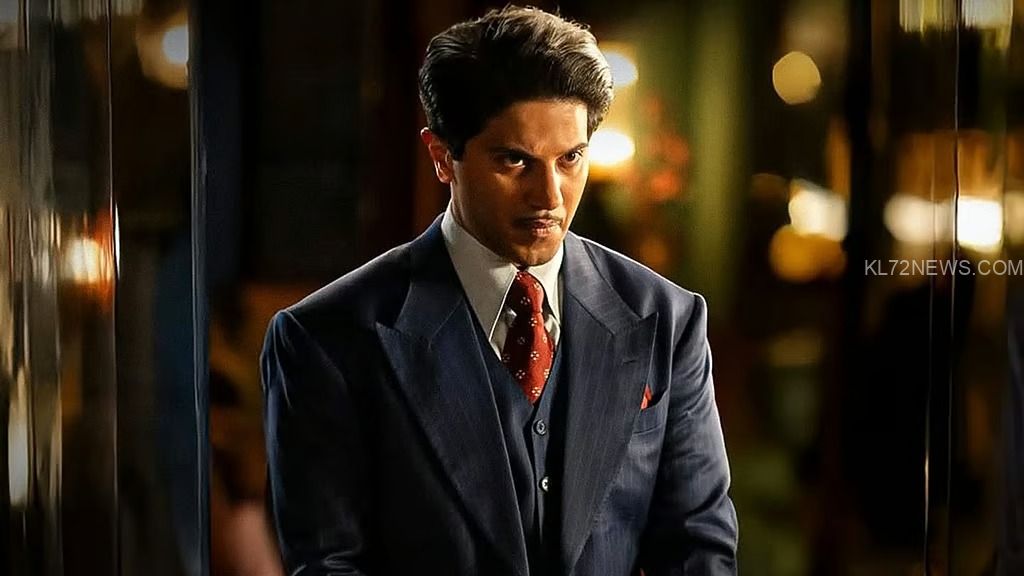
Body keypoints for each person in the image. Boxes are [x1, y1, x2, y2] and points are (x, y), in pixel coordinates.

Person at [261, 6, 737, 575]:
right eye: (515, 161)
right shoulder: (327, 339)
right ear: (443, 157)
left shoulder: (667, 318)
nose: (549, 196)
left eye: (570, 159)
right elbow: (330, 564)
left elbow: (698, 545)